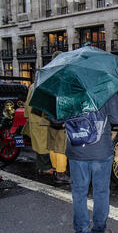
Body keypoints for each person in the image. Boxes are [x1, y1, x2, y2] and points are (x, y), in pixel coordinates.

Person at [67, 93, 118, 233]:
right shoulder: (104, 86)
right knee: (101, 192)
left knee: (79, 194)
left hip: (76, 149)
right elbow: (117, 117)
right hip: (100, 150)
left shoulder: (68, 89)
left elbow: (55, 119)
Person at [47, 51, 70, 183]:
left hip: (49, 114)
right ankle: (61, 174)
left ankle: (55, 169)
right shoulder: (63, 75)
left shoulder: (48, 74)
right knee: (61, 146)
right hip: (61, 114)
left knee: (53, 144)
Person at [22, 83, 53, 177]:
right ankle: (45, 168)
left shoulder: (33, 85)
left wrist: (27, 116)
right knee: (43, 145)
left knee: (39, 144)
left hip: (35, 119)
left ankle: (42, 166)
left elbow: (28, 103)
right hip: (40, 119)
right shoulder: (44, 85)